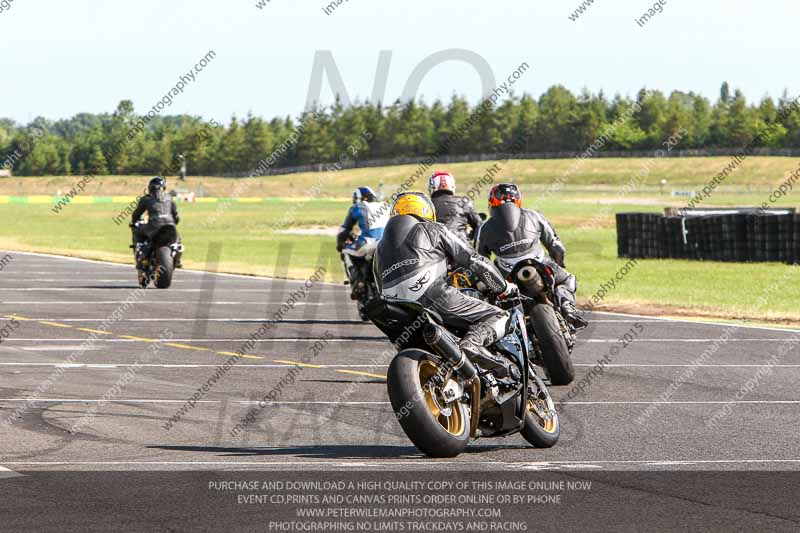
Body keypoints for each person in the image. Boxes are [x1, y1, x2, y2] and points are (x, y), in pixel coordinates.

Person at [373, 191, 518, 359]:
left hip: (396, 307)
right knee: (501, 316)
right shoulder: (434, 228)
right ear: (426, 211)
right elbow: (474, 260)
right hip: (433, 295)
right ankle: (473, 342)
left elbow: (378, 286)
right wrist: (503, 287)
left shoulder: (379, 249)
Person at [476, 183, 586, 329]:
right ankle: (567, 306)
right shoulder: (534, 216)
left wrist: (484, 283)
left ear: (491, 202)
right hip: (539, 262)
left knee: (486, 293)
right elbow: (557, 247)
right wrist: (559, 265)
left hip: (506, 271)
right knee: (568, 279)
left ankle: (500, 327)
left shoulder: (483, 228)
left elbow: (479, 261)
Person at [336, 186, 389, 298]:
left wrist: (340, 243)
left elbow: (345, 229)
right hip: (386, 244)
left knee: (345, 251)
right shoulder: (386, 206)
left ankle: (358, 283)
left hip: (368, 243)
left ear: (362, 198)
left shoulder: (357, 207)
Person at [131, 176, 182, 268]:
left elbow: (136, 214)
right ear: (164, 187)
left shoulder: (146, 198)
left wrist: (134, 223)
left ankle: (142, 258)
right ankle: (177, 259)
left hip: (154, 226)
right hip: (170, 226)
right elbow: (176, 216)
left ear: (150, 187)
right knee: (178, 240)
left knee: (137, 231)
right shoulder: (169, 197)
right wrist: (173, 222)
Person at [428, 171, 482, 244]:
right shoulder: (464, 202)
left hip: (436, 247)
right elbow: (479, 225)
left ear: (432, 186)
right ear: (452, 185)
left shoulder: (427, 204)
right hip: (461, 245)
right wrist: (468, 238)